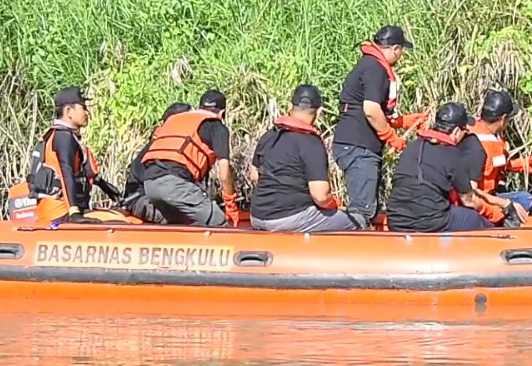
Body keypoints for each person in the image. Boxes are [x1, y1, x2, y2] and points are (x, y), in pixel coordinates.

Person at [332, 25, 426, 229]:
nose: (400, 56)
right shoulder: (375, 68)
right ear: (394, 49)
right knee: (362, 209)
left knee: (369, 207)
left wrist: (403, 121)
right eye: (401, 51)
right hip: (357, 146)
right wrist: (391, 137)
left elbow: (375, 111)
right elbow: (371, 109)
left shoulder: (369, 65)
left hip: (356, 144)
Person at [248, 84, 362, 232]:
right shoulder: (311, 143)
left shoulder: (270, 135)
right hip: (290, 218)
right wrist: (334, 205)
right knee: (358, 220)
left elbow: (254, 175)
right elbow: (320, 196)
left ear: (290, 106)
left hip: (257, 216)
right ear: (319, 112)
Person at [385, 102, 492, 233]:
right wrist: (493, 210)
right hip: (429, 221)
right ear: (457, 131)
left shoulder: (412, 146)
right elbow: (468, 201)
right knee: (476, 220)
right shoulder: (454, 155)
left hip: (395, 219)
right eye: (465, 131)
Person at [140, 89, 240, 227]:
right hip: (173, 184)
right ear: (222, 113)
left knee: (180, 223)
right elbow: (224, 173)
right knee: (218, 221)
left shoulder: (176, 119)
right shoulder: (216, 126)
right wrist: (231, 207)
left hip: (149, 183)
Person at [24, 87, 121, 223]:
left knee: (119, 215)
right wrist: (74, 212)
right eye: (83, 108)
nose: (87, 112)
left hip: (65, 211)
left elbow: (86, 172)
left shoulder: (67, 136)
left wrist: (107, 187)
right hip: (59, 213)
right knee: (118, 221)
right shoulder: (63, 137)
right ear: (68, 111)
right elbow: (65, 172)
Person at [458, 90, 532, 227]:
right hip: (480, 200)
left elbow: (498, 164)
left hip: (478, 195)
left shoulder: (473, 127)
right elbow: (473, 190)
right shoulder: (484, 146)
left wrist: (523, 164)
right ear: (503, 118)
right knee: (526, 200)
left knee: (523, 198)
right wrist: (500, 207)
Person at [120, 101, 191, 224]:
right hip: (140, 200)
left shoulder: (172, 146)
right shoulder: (160, 148)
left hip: (155, 198)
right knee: (185, 219)